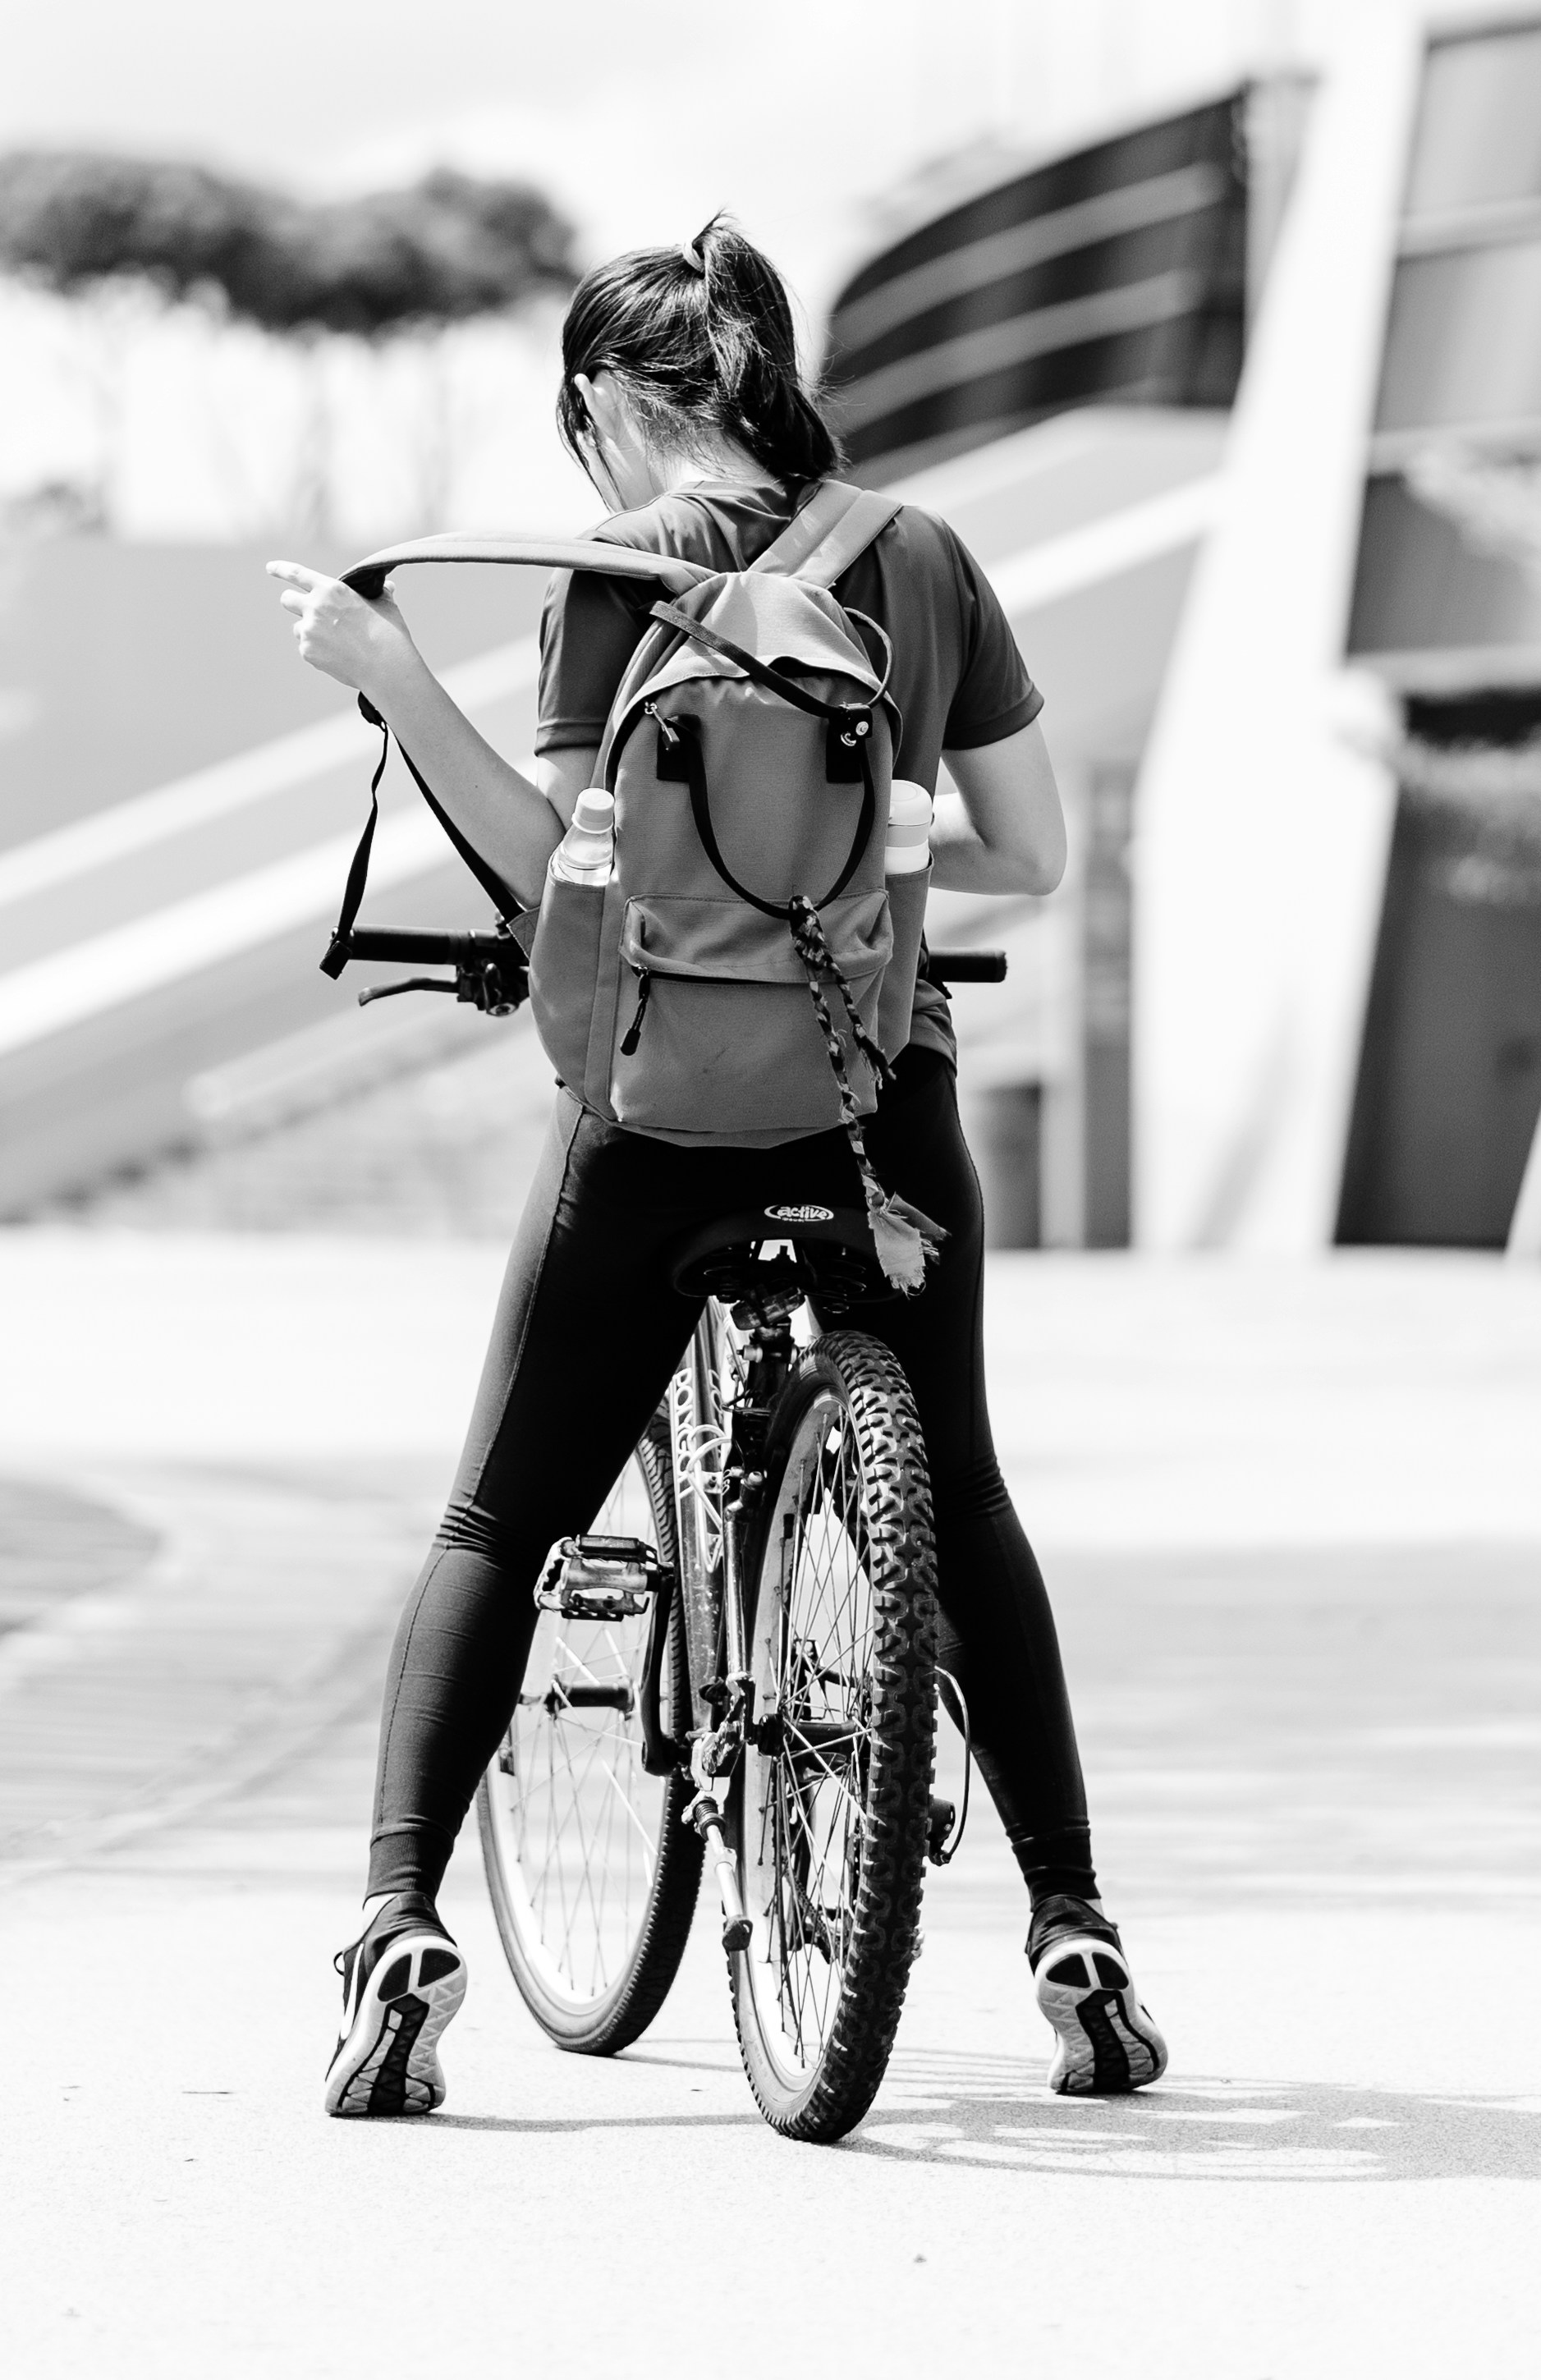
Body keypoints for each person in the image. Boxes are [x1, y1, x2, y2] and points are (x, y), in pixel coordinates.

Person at [267, 217, 1166, 2121]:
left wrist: (386, 673)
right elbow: (1032, 855)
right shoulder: (917, 561)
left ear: (602, 400)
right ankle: (1076, 1928)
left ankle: (397, 1929)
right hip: (873, 1115)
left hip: (658, 1113)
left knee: (497, 1518)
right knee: (965, 1501)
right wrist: (881, 856)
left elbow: (546, 863)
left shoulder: (611, 574)